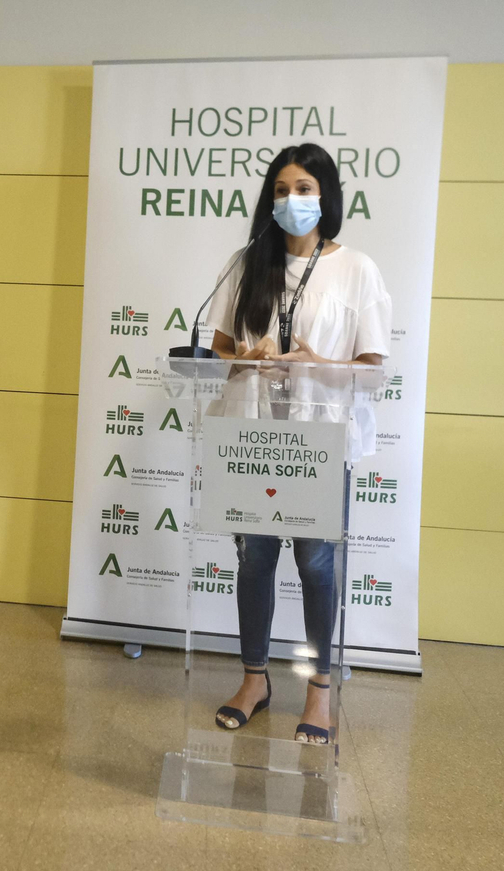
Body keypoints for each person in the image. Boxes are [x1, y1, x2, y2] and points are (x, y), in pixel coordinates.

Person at [206, 143, 390, 744]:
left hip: (317, 437)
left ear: (326, 196)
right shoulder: (246, 264)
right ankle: (254, 680)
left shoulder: (357, 269)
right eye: (282, 190)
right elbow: (218, 354)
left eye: (305, 189)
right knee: (254, 557)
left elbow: (372, 369)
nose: (292, 200)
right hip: (254, 434)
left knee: (315, 562)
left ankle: (319, 691)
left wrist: (318, 361)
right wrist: (246, 358)